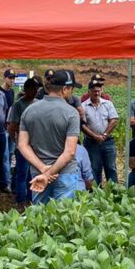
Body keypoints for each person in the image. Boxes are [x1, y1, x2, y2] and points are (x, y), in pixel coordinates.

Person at [19, 69, 81, 204]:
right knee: (63, 218)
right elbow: (70, 152)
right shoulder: (71, 113)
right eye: (71, 89)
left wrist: (43, 169)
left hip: (38, 173)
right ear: (65, 89)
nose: (72, 93)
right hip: (65, 173)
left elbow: (22, 145)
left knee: (39, 217)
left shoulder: (29, 110)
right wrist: (48, 174)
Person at [7, 76, 41, 210]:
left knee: (33, 172)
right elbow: (12, 125)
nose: (34, 92)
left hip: (37, 144)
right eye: (32, 89)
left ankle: (31, 198)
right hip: (23, 144)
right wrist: (16, 141)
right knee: (22, 172)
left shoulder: (39, 103)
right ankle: (21, 199)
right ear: (26, 89)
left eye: (36, 89)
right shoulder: (19, 105)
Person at [81, 80, 119, 185]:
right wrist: (95, 136)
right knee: (94, 168)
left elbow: (114, 120)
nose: (96, 93)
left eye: (98, 91)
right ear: (88, 92)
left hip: (108, 141)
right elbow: (82, 125)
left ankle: (114, 191)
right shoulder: (83, 106)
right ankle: (96, 194)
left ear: (101, 91)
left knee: (111, 167)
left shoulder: (108, 104)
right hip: (91, 142)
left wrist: (104, 135)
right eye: (94, 91)